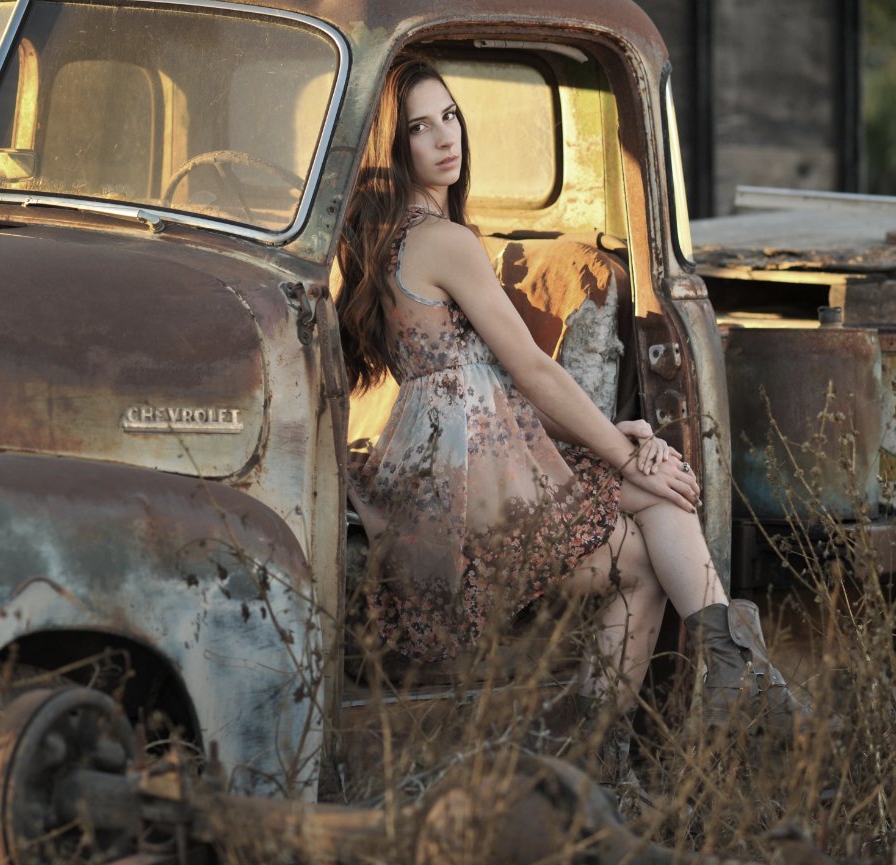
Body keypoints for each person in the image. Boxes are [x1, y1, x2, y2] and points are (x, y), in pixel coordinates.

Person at [337, 58, 816, 760]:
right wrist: (626, 456)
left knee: (658, 498)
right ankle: (612, 744)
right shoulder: (444, 242)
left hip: (449, 467)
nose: (444, 137)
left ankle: (718, 677)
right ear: (391, 145)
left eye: (450, 116)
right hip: (467, 485)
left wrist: (616, 441)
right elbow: (529, 371)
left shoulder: (391, 239)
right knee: (651, 539)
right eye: (418, 127)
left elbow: (488, 389)